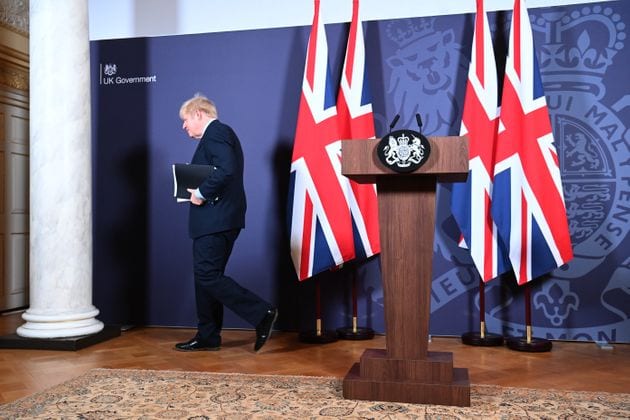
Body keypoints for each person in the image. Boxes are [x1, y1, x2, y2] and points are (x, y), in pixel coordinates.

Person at [175, 93, 277, 352]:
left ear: (199, 113)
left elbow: (226, 169)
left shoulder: (217, 133)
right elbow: (220, 170)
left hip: (216, 220)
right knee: (206, 278)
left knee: (207, 275)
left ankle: (261, 312)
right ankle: (208, 335)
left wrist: (200, 192)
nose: (184, 126)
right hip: (214, 220)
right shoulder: (215, 136)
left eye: (186, 120)